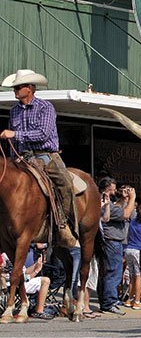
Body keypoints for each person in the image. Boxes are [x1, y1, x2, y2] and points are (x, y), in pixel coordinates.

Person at [0, 69, 77, 242]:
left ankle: (64, 224)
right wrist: (12, 158)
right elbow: (15, 143)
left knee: (65, 183)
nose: (15, 91)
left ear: (30, 88)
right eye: (14, 88)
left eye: (18, 87)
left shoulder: (46, 107)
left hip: (46, 156)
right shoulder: (14, 111)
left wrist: (14, 134)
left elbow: (42, 134)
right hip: (21, 158)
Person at [97, 176, 135, 315]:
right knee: (113, 272)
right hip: (111, 241)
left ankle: (106, 301)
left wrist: (124, 200)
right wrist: (132, 198)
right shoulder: (102, 203)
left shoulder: (107, 203)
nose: (115, 192)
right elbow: (125, 214)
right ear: (106, 190)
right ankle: (109, 302)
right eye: (113, 190)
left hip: (111, 241)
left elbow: (117, 209)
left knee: (108, 272)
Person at [24, 245, 54, 320]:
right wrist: (36, 271)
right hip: (13, 284)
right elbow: (22, 278)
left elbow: (25, 272)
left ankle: (39, 311)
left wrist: (38, 264)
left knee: (45, 280)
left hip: (22, 281)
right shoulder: (8, 257)